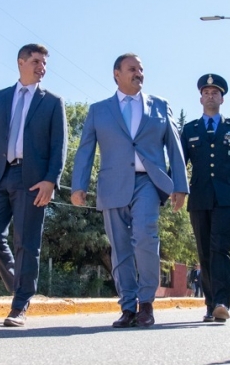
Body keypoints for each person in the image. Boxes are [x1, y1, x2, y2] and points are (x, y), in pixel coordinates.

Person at [71, 53, 188, 329]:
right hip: (112, 184)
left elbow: (174, 146)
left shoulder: (160, 106)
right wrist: (79, 185)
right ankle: (128, 307)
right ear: (117, 74)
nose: (139, 73)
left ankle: (146, 302)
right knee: (120, 247)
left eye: (141, 69)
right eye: (132, 69)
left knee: (145, 236)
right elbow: (86, 149)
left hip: (148, 181)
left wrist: (180, 185)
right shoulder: (99, 110)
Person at [0, 43, 67, 328]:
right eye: (36, 61)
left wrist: (51, 180)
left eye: (44, 63)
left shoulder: (52, 102)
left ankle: (20, 305)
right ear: (21, 62)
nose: (41, 67)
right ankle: (20, 283)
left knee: (26, 242)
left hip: (33, 181)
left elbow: (59, 146)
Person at [180, 74, 230, 323]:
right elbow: (181, 165)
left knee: (220, 249)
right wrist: (175, 190)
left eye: (215, 92)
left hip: (226, 199)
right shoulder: (190, 129)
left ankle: (223, 302)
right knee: (204, 251)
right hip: (199, 199)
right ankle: (210, 303)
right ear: (200, 98)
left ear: (222, 98)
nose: (210, 96)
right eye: (206, 92)